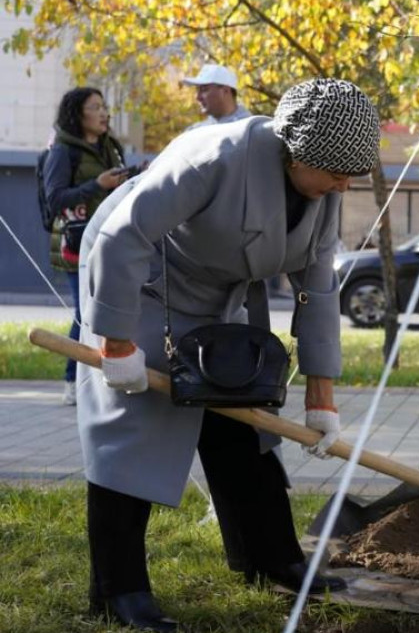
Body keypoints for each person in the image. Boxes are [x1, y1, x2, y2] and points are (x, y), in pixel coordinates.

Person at [77, 78, 380, 631]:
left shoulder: (325, 190)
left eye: (350, 174)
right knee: (135, 426)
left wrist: (322, 395)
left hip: (220, 295)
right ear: (297, 152)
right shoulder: (214, 156)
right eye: (336, 170)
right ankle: (118, 589)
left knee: (243, 418)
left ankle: (269, 557)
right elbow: (124, 236)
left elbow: (317, 284)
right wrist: (116, 343)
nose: (344, 183)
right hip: (142, 278)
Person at [42, 87, 133, 406]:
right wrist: (97, 185)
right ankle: (73, 381)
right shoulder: (64, 151)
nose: (105, 112)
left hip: (110, 240)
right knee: (86, 313)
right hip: (75, 243)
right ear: (79, 114)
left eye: (105, 106)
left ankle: (101, 376)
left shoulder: (111, 147)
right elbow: (55, 198)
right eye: (96, 107)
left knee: (107, 309)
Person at [182, 63, 252, 130]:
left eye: (204, 90)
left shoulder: (251, 130)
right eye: (197, 90)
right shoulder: (195, 132)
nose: (198, 97)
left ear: (225, 91)